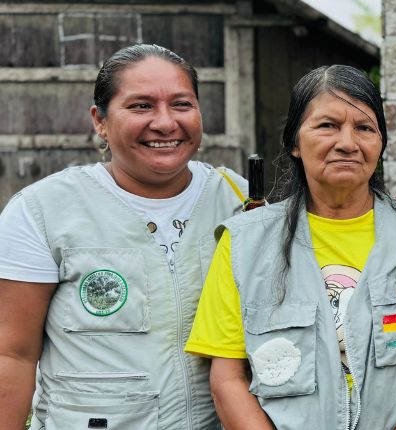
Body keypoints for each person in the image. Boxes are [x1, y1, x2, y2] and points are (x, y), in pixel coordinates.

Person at [184, 65, 396, 430]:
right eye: (327, 126)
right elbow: (227, 378)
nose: (348, 143)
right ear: (294, 142)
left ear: (381, 143)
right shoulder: (245, 242)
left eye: (365, 128)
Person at [0, 44, 247, 429]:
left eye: (182, 104)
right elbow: (12, 355)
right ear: (99, 120)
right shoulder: (43, 210)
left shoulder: (240, 202)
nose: (165, 123)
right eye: (141, 106)